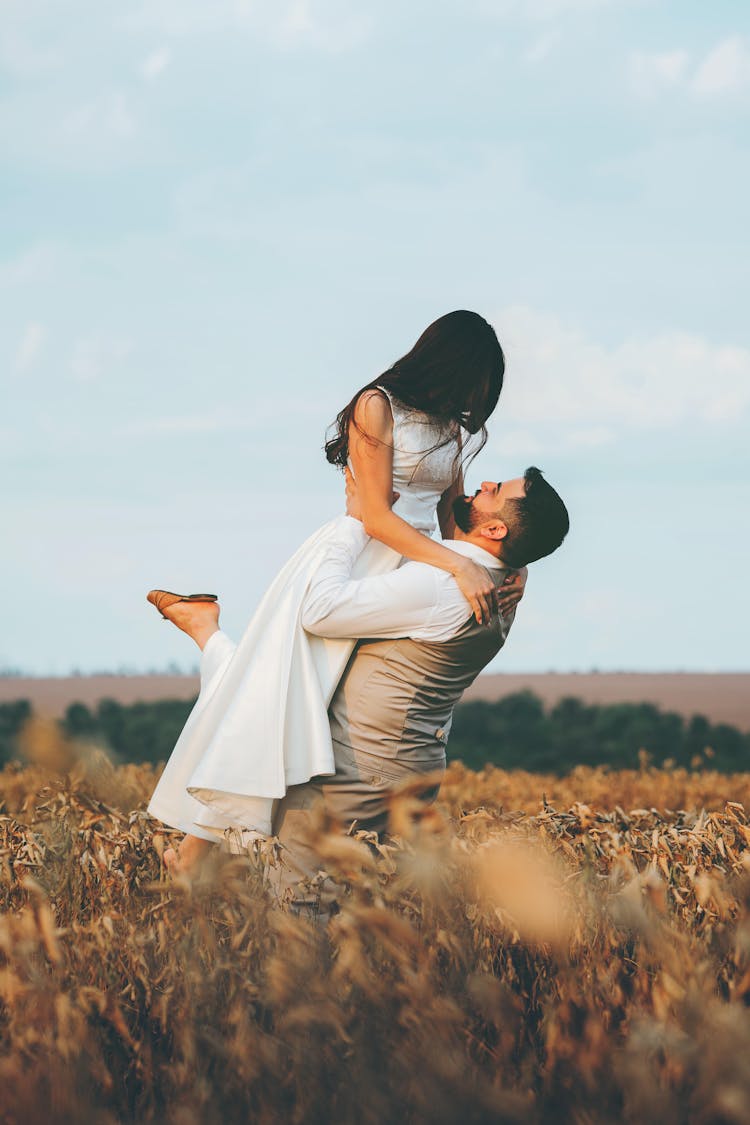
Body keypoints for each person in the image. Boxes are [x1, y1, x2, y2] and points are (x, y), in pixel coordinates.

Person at [146, 311, 525, 873]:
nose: (476, 401)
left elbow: (449, 511)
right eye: (476, 384)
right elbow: (372, 512)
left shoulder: (449, 425)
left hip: (416, 573)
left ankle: (191, 852)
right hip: (358, 560)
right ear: (448, 362)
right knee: (278, 701)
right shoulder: (376, 405)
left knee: (284, 701)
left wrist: (483, 569)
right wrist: (454, 566)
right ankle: (193, 851)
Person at [160, 466, 570, 913]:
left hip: (357, 768)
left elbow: (318, 610)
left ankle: (205, 633)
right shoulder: (498, 581)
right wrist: (521, 563)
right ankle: (206, 633)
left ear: (495, 528)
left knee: (301, 908)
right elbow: (471, 538)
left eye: (497, 492)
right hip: (405, 764)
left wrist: (354, 521)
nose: (486, 483)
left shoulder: (444, 585)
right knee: (349, 907)